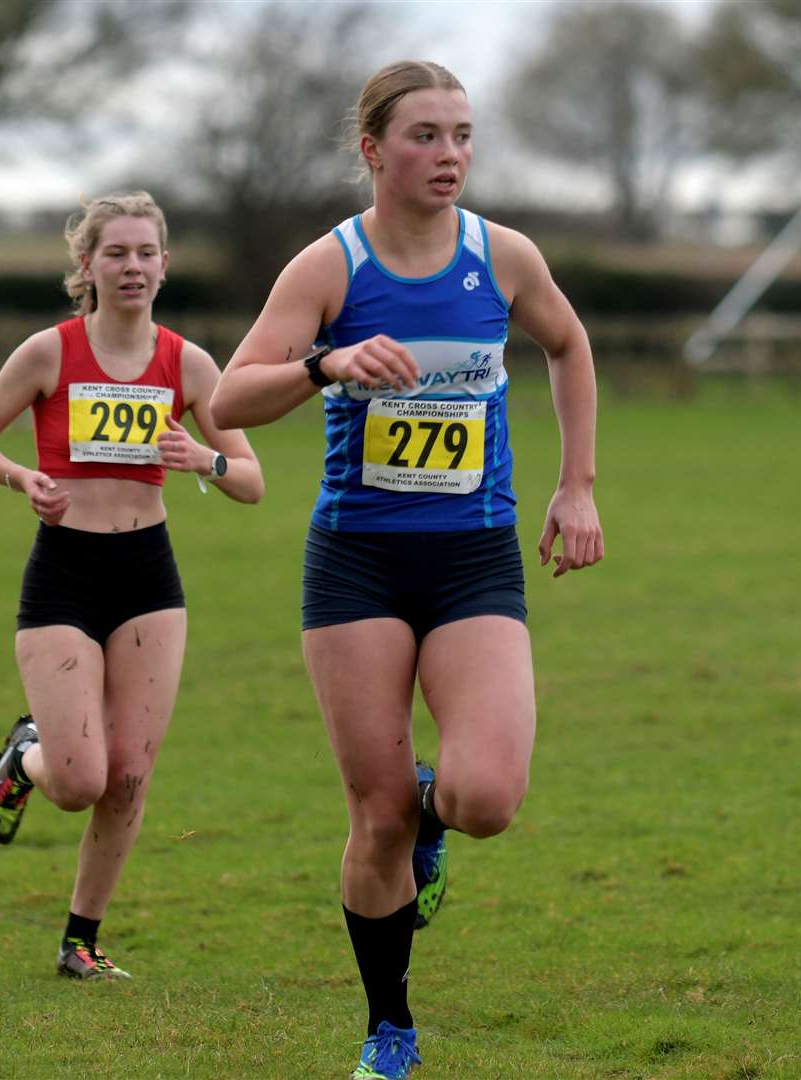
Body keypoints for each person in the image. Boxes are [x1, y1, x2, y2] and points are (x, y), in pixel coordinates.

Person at [209, 60, 603, 1080]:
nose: (451, 155)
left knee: (484, 799)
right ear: (373, 151)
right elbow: (229, 401)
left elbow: (567, 344)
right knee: (373, 818)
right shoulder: (327, 268)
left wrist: (576, 485)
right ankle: (389, 1028)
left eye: (463, 134)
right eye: (426, 135)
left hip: (473, 557)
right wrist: (324, 365)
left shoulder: (502, 257)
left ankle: (434, 805)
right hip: (356, 565)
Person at [0, 191, 262, 981]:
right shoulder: (48, 353)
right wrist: (23, 477)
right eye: (115, 253)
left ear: (165, 264)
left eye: (145, 252)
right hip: (62, 571)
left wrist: (208, 461)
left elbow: (253, 479)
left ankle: (80, 940)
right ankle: (26, 757)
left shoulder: (187, 363)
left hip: (147, 575)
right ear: (85, 266)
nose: (132, 266)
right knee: (78, 780)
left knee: (127, 775)